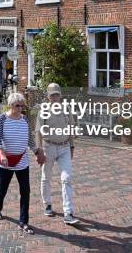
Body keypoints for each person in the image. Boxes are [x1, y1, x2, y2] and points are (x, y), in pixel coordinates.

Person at [0, 92, 45, 235]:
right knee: (2, 188)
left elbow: (29, 138)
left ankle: (24, 222)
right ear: (11, 105)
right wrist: (2, 154)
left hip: (22, 160)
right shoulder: (2, 119)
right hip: (5, 161)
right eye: (17, 105)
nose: (20, 108)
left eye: (22, 106)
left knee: (25, 191)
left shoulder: (24, 120)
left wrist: (36, 151)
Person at [35, 83, 79, 225]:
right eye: (52, 94)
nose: (54, 97)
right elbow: (38, 131)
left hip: (65, 147)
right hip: (48, 147)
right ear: (48, 96)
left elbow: (71, 128)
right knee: (46, 176)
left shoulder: (66, 108)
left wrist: (72, 146)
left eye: (57, 94)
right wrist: (38, 149)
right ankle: (47, 203)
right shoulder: (44, 110)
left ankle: (68, 212)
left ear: (60, 95)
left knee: (67, 178)